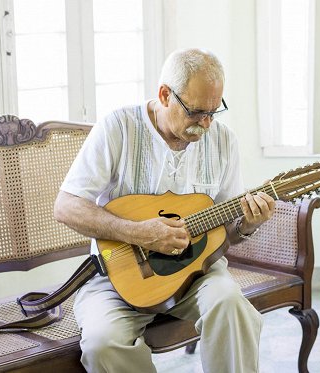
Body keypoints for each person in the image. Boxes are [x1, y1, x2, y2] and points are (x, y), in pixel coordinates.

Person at [54, 48, 275, 373]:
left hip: (198, 276)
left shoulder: (223, 140)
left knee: (232, 307)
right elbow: (66, 207)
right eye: (197, 112)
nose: (206, 124)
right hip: (118, 277)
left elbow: (226, 232)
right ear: (164, 95)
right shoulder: (119, 128)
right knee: (103, 342)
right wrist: (138, 232)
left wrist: (246, 226)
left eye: (215, 111)